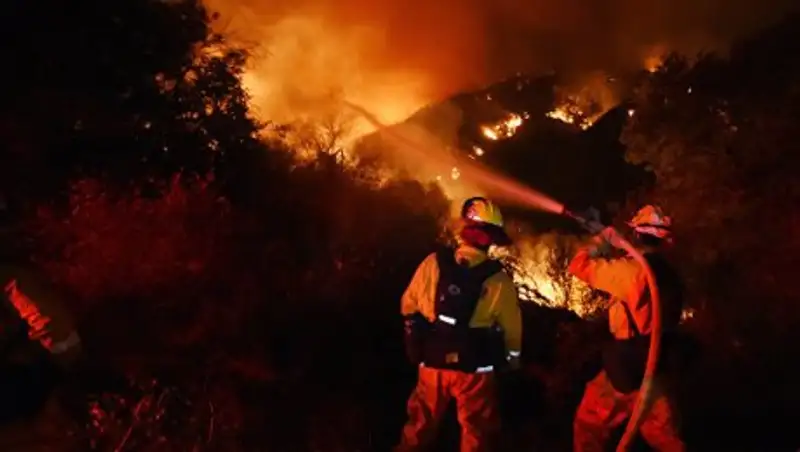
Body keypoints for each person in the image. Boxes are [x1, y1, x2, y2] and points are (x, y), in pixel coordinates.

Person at [396, 197, 522, 452]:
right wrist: (513, 360)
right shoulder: (498, 280)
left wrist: (415, 341)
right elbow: (512, 329)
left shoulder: (433, 263)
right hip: (475, 369)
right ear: (492, 239)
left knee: (420, 426)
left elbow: (408, 305)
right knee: (477, 434)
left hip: (432, 363)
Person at [568, 205, 686, 452]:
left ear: (636, 235)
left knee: (587, 427)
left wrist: (602, 239)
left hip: (626, 370)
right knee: (668, 442)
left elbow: (578, 265)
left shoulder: (632, 272)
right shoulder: (671, 275)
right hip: (657, 369)